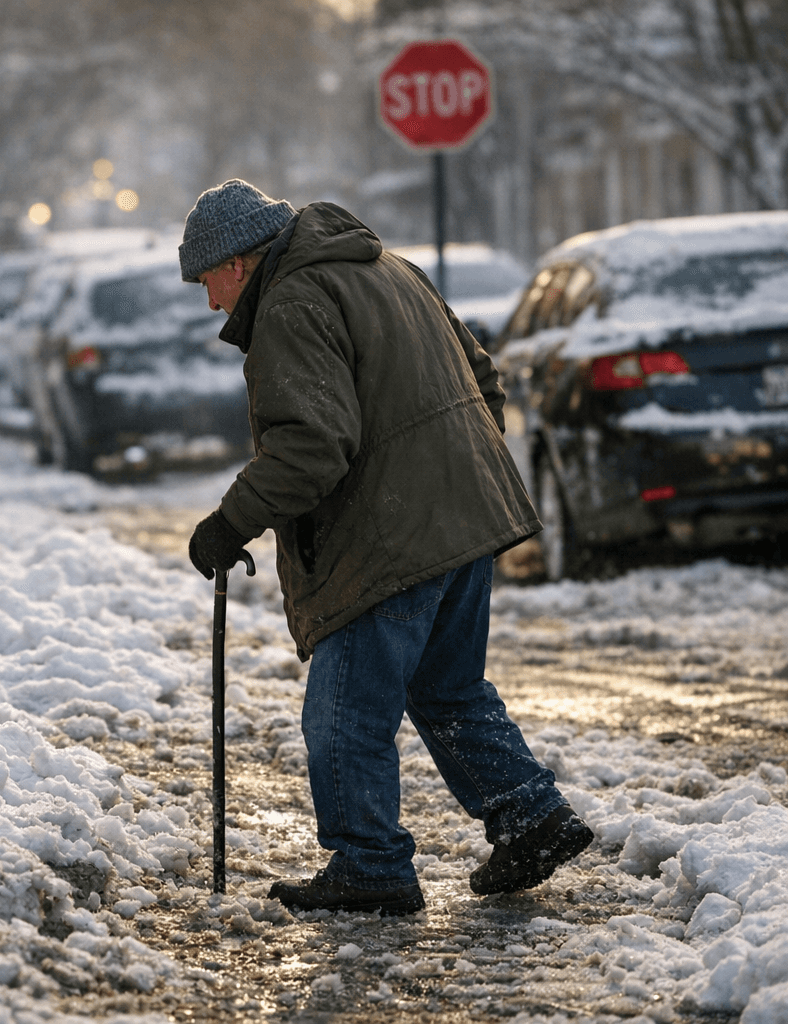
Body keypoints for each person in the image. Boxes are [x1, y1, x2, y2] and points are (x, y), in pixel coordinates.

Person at [180, 180, 592, 916]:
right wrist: (455, 473)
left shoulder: (292, 302)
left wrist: (229, 522)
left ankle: (370, 864)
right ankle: (529, 814)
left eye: (207, 281)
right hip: (466, 514)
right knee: (447, 686)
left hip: (393, 533)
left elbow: (311, 447)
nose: (211, 303)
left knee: (344, 713)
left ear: (237, 263)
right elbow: (484, 380)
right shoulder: (389, 266)